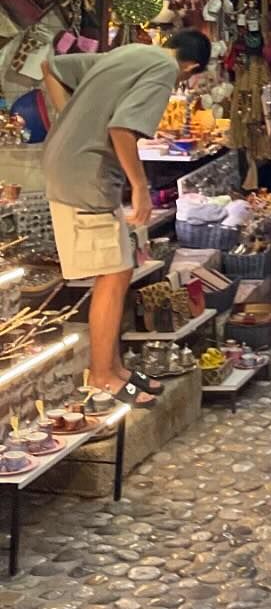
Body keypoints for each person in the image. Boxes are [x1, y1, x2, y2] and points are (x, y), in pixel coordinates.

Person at [40, 29, 212, 406]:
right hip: (87, 174)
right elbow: (121, 128)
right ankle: (102, 375)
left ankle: (113, 368)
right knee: (112, 274)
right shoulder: (165, 70)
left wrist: (66, 122)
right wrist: (140, 186)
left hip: (77, 167)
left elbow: (50, 67)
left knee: (117, 270)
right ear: (191, 66)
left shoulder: (133, 51)